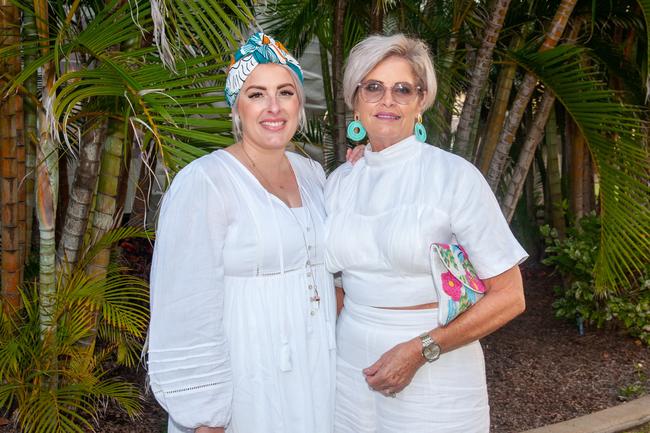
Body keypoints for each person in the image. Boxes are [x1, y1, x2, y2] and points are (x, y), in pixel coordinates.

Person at [147, 32, 361, 433]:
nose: (273, 107)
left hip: (313, 368)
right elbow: (185, 304)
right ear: (236, 107)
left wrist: (368, 166)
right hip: (245, 376)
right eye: (256, 94)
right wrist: (204, 414)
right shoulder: (206, 182)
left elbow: (340, 253)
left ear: (300, 103)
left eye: (285, 92)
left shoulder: (313, 175)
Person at [325, 34, 529, 433]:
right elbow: (331, 285)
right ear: (355, 100)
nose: (388, 101)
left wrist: (422, 350)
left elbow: (510, 296)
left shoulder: (453, 177)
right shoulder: (339, 182)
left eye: (403, 89)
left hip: (436, 370)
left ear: (421, 101)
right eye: (374, 88)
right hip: (348, 372)